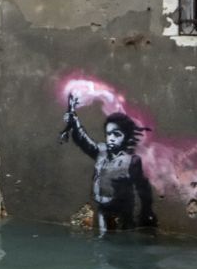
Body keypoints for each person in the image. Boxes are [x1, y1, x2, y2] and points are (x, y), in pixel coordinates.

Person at [61, 93, 156, 233]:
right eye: (109, 134)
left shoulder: (131, 161)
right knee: (103, 236)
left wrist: (146, 211)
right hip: (102, 207)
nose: (111, 138)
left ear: (126, 137)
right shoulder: (101, 151)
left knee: (124, 236)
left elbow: (143, 187)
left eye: (117, 134)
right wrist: (74, 121)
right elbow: (83, 141)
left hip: (123, 211)